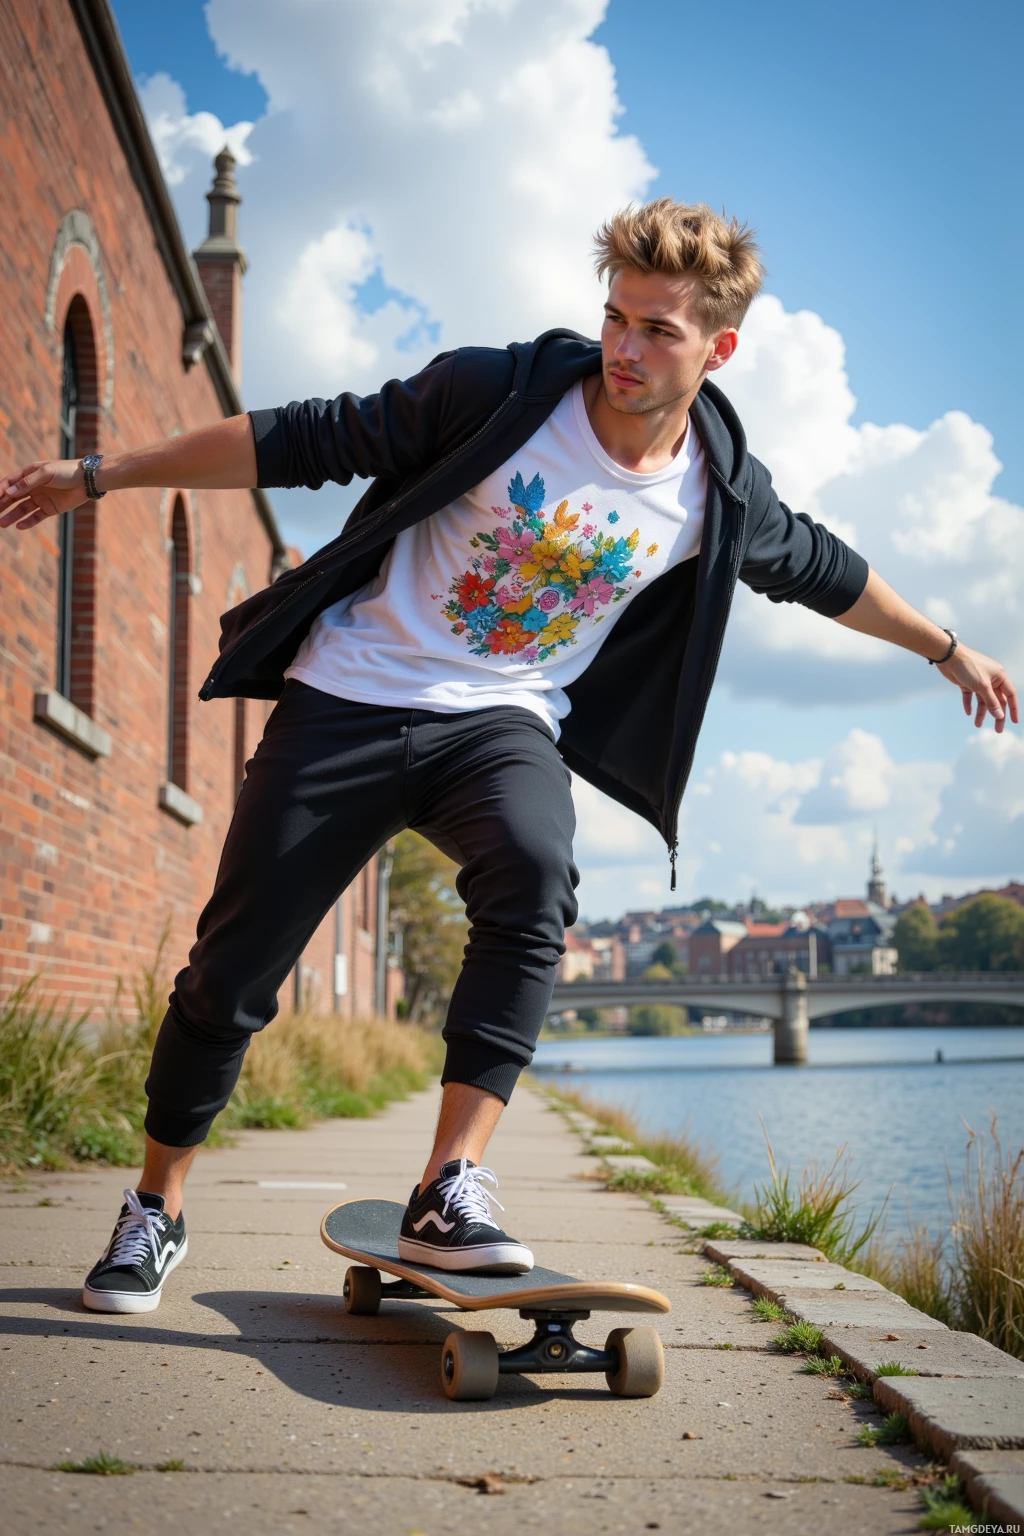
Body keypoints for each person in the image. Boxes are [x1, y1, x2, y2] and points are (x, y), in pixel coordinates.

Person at [1, 199, 1017, 1313]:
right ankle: (158, 1205)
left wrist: (949, 649)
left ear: (719, 348)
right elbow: (298, 437)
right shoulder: (501, 393)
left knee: (535, 870)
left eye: (657, 330)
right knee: (232, 970)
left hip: (500, 721)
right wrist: (101, 475)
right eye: (614, 318)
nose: (623, 350)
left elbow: (827, 570)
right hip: (349, 695)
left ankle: (450, 1181)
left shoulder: (716, 491)